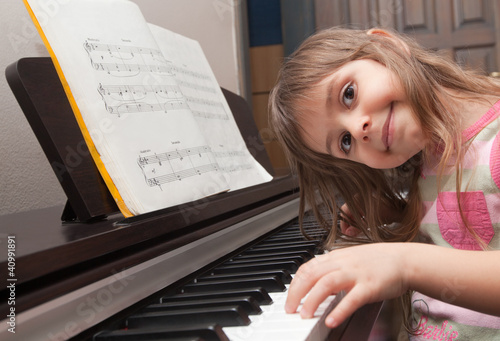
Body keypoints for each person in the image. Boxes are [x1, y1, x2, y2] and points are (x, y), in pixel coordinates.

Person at [269, 27, 500, 340]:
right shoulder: (428, 153)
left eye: (348, 94)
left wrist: (403, 264)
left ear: (385, 44)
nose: (358, 128)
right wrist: (397, 211)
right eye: (346, 142)